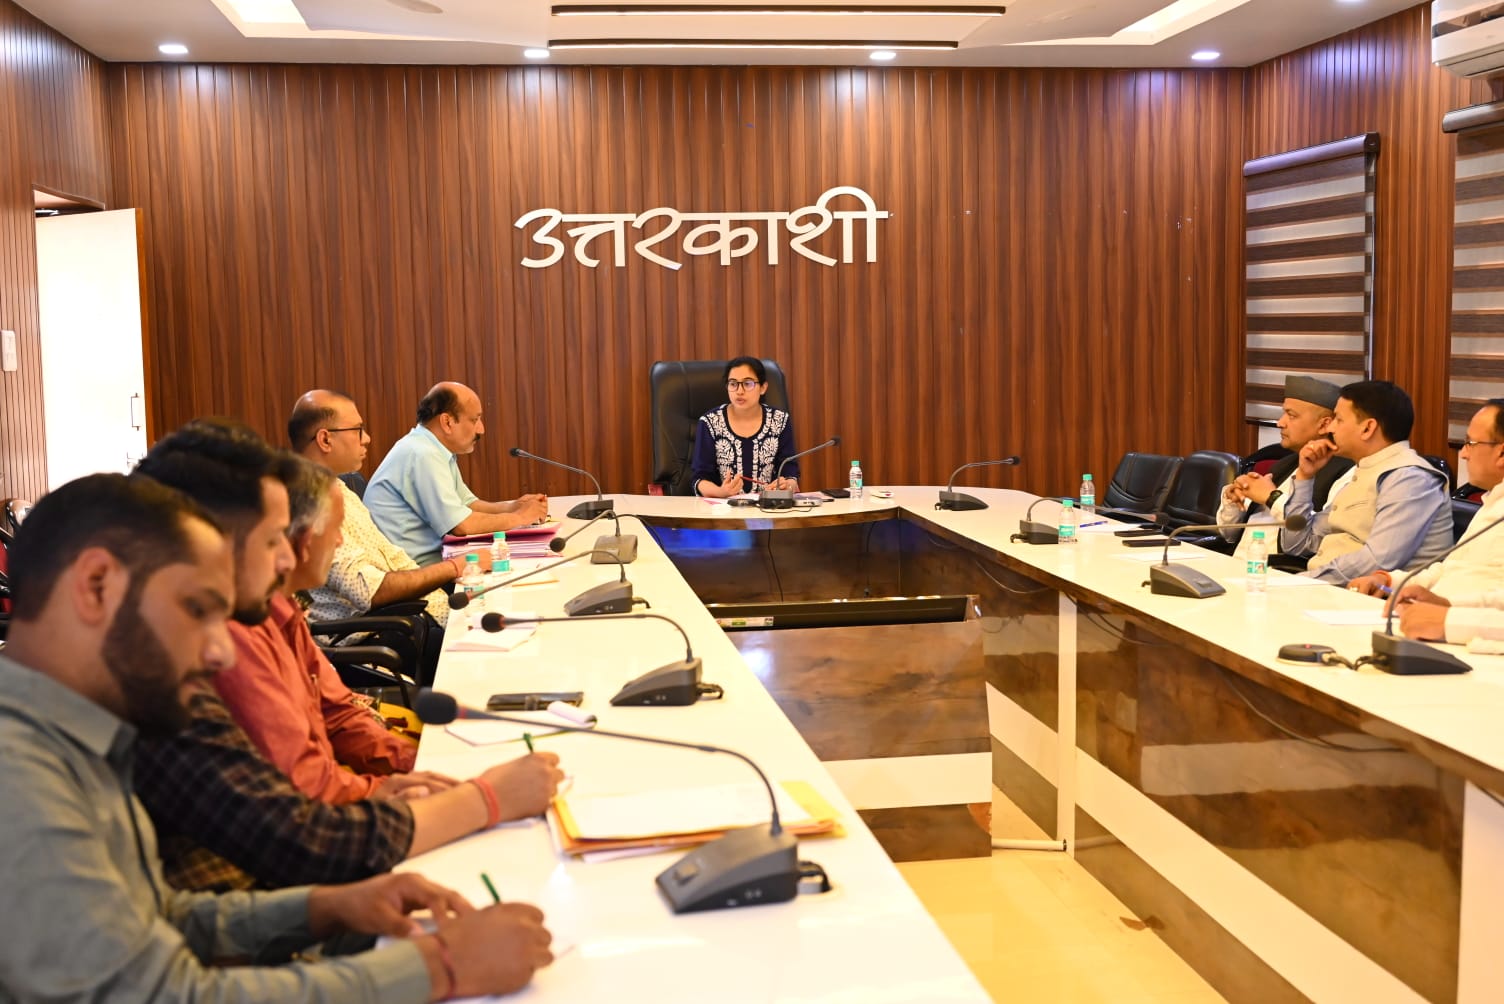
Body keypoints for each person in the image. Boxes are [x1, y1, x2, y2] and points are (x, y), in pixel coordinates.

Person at [0, 472, 553, 1002]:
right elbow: (162, 993)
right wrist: (440, 967)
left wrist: (327, 908)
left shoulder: (78, 733)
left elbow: (162, 918)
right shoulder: (22, 779)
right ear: (97, 586)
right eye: (197, 609)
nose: (221, 652)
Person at [132, 421, 563, 894]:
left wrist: (421, 768)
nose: (287, 558)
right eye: (272, 539)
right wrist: (474, 798)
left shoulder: (267, 607)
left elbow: (336, 717)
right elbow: (306, 831)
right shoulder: (217, 649)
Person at [289, 390, 458, 633]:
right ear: (325, 439)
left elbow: (393, 557)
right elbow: (369, 591)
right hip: (380, 632)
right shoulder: (308, 501)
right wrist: (453, 568)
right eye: (358, 429)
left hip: (422, 614)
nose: (366, 438)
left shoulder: (339, 488)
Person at [1348, 400, 1504, 642]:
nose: (1463, 454)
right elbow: (1449, 568)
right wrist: (1390, 580)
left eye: (1470, 443)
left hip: (1469, 636)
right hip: (1433, 623)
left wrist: (1449, 610)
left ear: (1502, 453)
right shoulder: (1494, 500)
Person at [1279, 380, 1452, 585]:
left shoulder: (1409, 478)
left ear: (1368, 428)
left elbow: (1378, 561)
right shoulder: (1365, 471)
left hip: (1372, 598)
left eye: (1339, 420)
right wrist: (1305, 477)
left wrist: (1300, 582)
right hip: (1329, 588)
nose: (1331, 427)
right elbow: (1296, 545)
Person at [366, 382, 549, 565]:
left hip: (430, 563)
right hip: (413, 572)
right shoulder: (423, 453)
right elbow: (462, 525)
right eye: (474, 420)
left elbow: (468, 504)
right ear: (447, 422)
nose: (481, 429)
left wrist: (512, 507)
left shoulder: (433, 448)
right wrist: (520, 517)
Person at [1217, 375, 1355, 560]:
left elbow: (1318, 536)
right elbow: (1228, 535)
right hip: (1236, 564)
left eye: (1291, 415)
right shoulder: (1283, 465)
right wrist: (1234, 500)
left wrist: (1272, 497)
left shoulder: (1348, 473)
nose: (1280, 423)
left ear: (1324, 424)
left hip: (1282, 571)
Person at [691, 356, 799, 498]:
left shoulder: (780, 421)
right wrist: (721, 492)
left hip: (769, 505)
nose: (739, 391)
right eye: (733, 384)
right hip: (723, 506)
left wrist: (787, 486)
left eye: (747, 384)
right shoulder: (710, 422)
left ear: (763, 388)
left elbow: (790, 472)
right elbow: (700, 479)